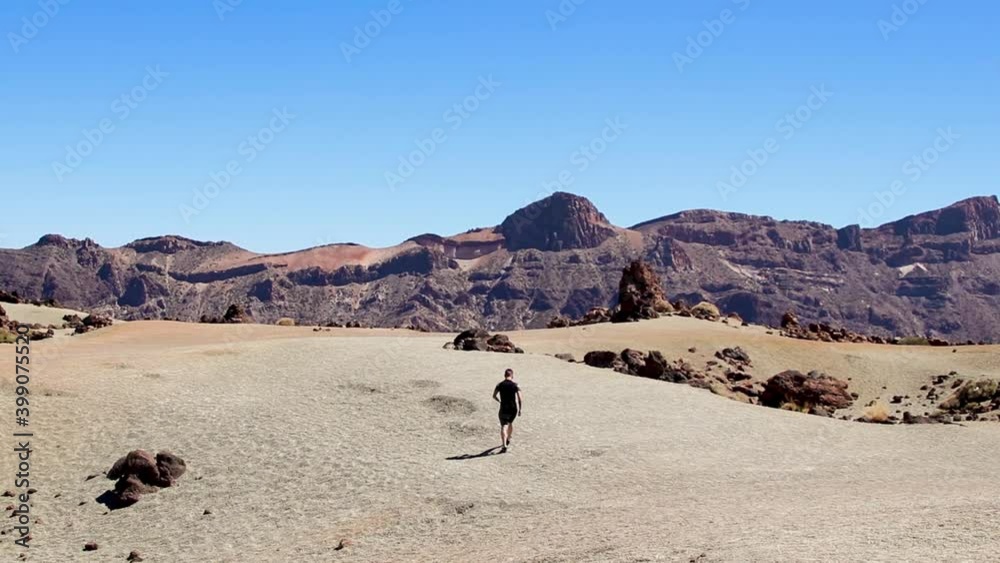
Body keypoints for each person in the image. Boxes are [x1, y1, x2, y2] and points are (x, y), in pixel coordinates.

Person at [492, 368, 522, 453]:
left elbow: (494, 396)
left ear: (504, 375)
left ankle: (504, 444)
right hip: (513, 408)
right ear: (512, 375)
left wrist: (499, 401)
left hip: (504, 408)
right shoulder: (515, 385)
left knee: (504, 426)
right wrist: (520, 409)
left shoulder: (499, 385)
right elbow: (520, 398)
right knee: (510, 423)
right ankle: (508, 438)